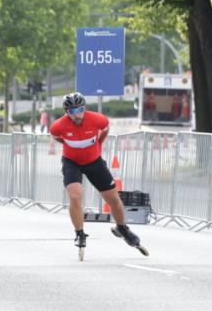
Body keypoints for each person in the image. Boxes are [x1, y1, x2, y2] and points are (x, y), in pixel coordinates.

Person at [49, 92, 147, 256]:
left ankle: (122, 228)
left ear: (84, 108)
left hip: (94, 162)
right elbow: (55, 136)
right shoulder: (58, 126)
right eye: (72, 112)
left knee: (114, 199)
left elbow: (105, 129)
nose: (77, 115)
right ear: (67, 113)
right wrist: (69, 145)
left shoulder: (97, 119)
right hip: (71, 163)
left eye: (80, 110)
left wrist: (99, 143)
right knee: (75, 196)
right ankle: (79, 233)